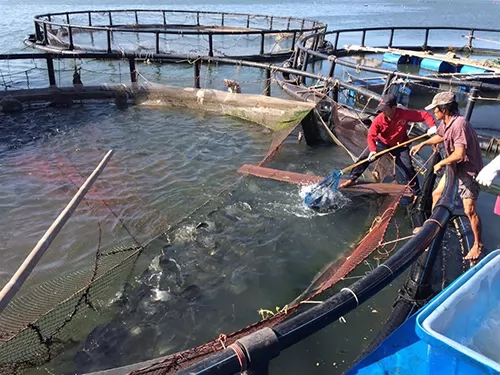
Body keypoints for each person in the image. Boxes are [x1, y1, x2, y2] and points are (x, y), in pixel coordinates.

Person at [410, 92, 484, 260]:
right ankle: (431, 228)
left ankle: (477, 245)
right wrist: (422, 143)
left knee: (469, 210)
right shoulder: (446, 122)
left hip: (467, 170)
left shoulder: (459, 124)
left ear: (443, 109)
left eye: (435, 109)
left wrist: (441, 163)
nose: (433, 113)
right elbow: (440, 136)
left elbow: (459, 153)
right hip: (455, 167)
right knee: (436, 193)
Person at [339, 94, 437, 198]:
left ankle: (416, 192)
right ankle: (352, 179)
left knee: (407, 166)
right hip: (383, 143)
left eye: (386, 109)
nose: (383, 112)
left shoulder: (404, 114)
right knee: (364, 158)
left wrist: (432, 126)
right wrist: (372, 150)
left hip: (400, 144)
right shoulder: (379, 119)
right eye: (382, 110)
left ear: (394, 108)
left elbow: (425, 115)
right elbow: (371, 136)